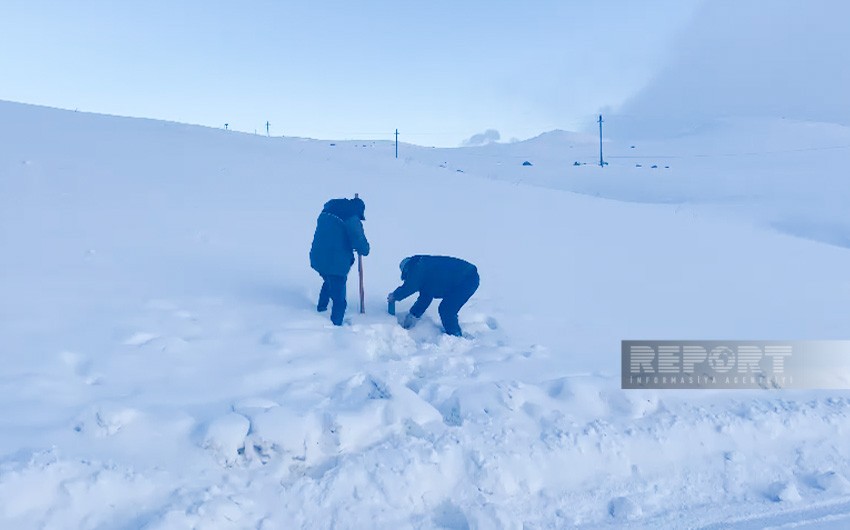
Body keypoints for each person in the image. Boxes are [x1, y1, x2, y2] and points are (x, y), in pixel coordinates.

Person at [309, 196, 369, 325]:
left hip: (318, 257)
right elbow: (359, 241)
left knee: (329, 281)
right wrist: (364, 249)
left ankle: (321, 309)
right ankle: (336, 326)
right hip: (335, 262)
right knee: (339, 299)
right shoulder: (351, 217)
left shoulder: (326, 212)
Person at [387, 255, 479, 337]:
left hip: (467, 278)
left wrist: (395, 296)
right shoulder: (426, 274)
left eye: (407, 276)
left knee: (446, 309)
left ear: (407, 269)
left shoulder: (418, 266)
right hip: (467, 278)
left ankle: (456, 337)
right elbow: (425, 299)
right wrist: (412, 316)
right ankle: (454, 334)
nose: (407, 278)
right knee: (446, 308)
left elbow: (410, 286)